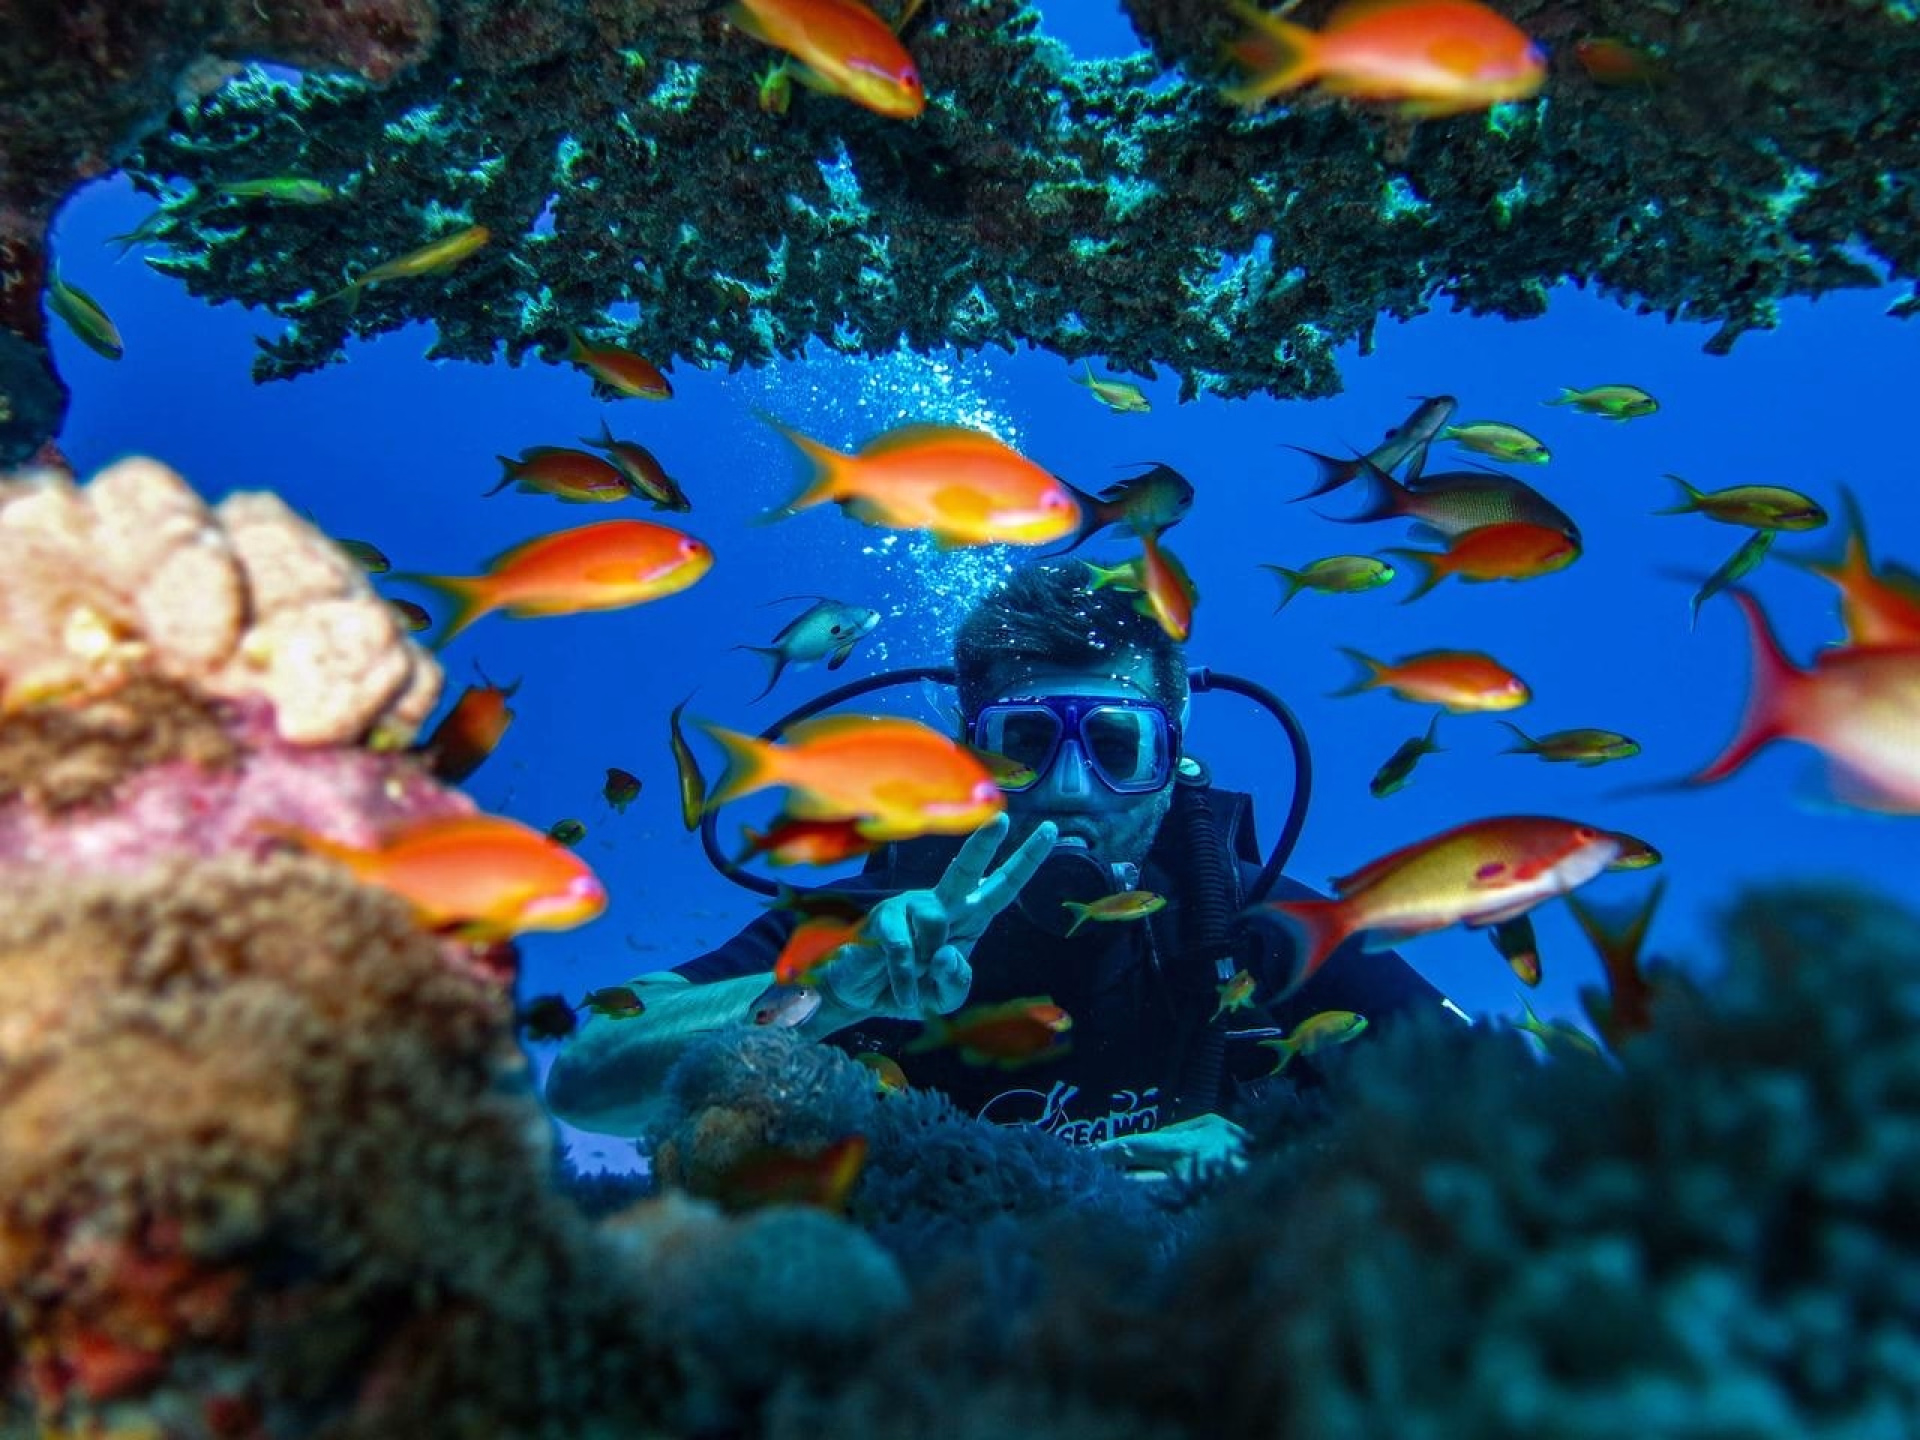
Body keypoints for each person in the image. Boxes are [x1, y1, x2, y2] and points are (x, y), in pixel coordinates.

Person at [545, 561, 1460, 1177]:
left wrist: (1274, 1172)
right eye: (1023, 741)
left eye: (1115, 743)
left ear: (1176, 755)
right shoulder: (885, 917)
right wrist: (835, 991)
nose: (1066, 789)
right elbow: (585, 1081)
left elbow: (1502, 1105)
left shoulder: (1256, 923)